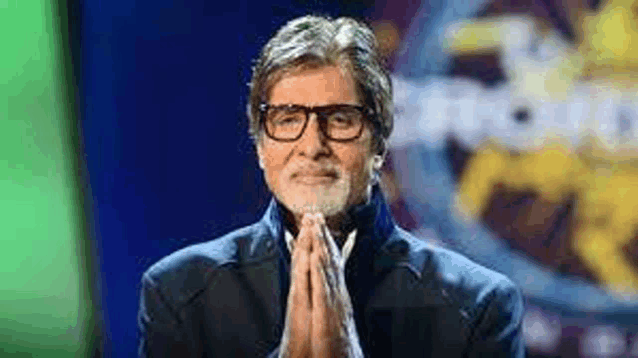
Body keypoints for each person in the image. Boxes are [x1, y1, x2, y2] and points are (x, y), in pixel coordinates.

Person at [137, 15, 525, 357]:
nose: (312, 146)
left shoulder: (479, 305)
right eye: (288, 119)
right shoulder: (180, 294)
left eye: (339, 119)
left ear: (379, 144)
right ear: (260, 145)